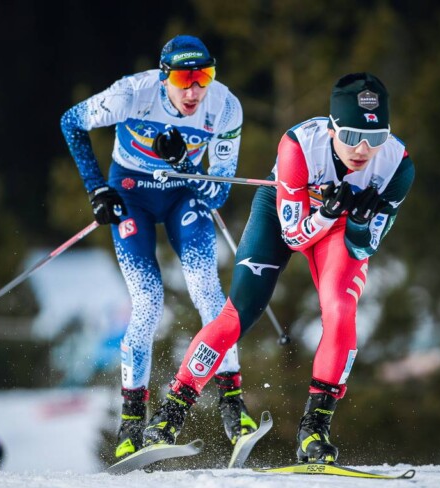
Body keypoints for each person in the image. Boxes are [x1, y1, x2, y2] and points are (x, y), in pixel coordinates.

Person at [142, 72, 416, 464]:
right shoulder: (298, 146)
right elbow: (293, 236)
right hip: (285, 215)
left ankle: (313, 432)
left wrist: (354, 221)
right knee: (238, 314)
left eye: (375, 139)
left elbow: (364, 243)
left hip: (338, 227)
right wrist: (325, 213)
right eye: (353, 136)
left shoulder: (397, 166)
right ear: (332, 126)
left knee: (340, 312)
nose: (363, 150)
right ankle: (169, 417)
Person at [60, 34, 256, 460]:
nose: (194, 90)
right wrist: (97, 189)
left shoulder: (224, 107)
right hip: (131, 192)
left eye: (203, 76)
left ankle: (233, 407)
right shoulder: (131, 93)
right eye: (184, 78)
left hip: (187, 194)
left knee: (208, 289)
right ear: (164, 76)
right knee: (147, 301)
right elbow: (70, 121)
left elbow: (219, 193)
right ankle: (131, 423)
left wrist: (185, 163)